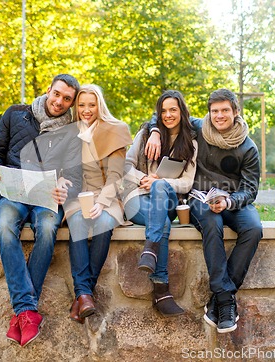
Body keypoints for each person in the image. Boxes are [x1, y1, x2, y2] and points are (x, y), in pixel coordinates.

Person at [145, 88, 262, 333]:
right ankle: (226, 301)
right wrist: (155, 132)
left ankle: (220, 299)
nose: (219, 116)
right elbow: (166, 115)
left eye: (224, 111)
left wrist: (229, 201)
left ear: (235, 112)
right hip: (200, 198)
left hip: (233, 200)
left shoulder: (248, 147)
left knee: (253, 228)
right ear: (209, 113)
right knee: (211, 223)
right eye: (215, 111)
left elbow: (250, 189)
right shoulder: (199, 127)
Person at [0, 74, 82, 347]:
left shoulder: (73, 131)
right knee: (4, 223)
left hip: (46, 199)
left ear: (71, 103)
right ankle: (27, 310)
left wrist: (66, 185)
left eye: (67, 99)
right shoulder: (16, 114)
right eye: (57, 94)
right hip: (13, 194)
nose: (59, 102)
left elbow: (74, 174)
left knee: (49, 228)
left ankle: (23, 312)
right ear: (48, 90)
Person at [122, 90, 197, 317]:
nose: (168, 115)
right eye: (163, 110)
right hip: (136, 199)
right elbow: (124, 166)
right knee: (162, 224)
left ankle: (151, 251)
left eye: (173, 109)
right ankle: (161, 290)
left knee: (159, 187)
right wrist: (142, 179)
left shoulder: (191, 142)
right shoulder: (146, 134)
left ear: (181, 112)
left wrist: (159, 181)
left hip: (168, 199)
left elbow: (187, 183)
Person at [64, 84, 132, 324]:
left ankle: (82, 294)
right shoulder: (71, 132)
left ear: (99, 105)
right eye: (81, 105)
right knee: (77, 224)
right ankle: (85, 295)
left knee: (103, 223)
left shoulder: (115, 131)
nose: (86, 110)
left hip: (108, 195)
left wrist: (102, 202)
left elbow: (115, 176)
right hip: (78, 196)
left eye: (91, 105)